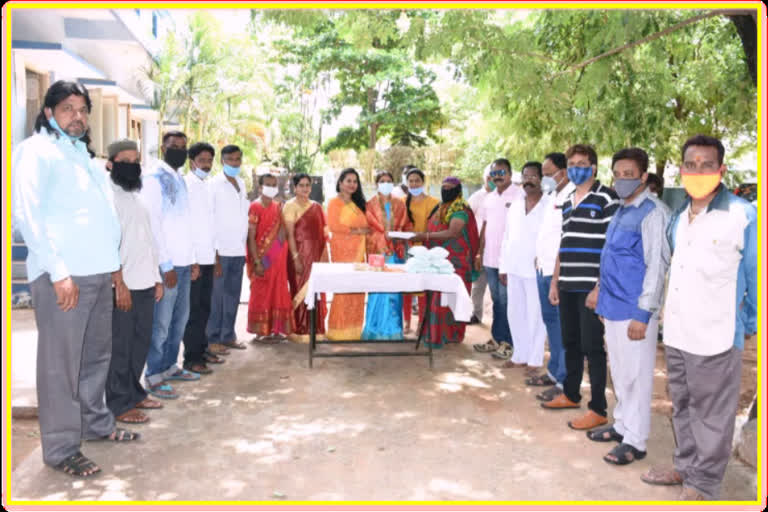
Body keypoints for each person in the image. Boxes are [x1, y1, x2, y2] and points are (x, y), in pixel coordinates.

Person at [11, 81, 138, 477]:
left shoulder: (81, 154)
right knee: (61, 365)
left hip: (98, 272)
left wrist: (115, 272)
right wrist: (58, 272)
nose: (78, 116)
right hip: (65, 277)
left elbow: (102, 217)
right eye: (68, 108)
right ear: (49, 113)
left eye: (83, 109)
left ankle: (95, 423)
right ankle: (62, 447)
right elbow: (28, 216)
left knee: (95, 356)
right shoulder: (36, 152)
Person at [641, 135, 757, 500]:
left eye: (707, 164)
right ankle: (684, 466)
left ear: (721, 170)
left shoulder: (742, 214)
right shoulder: (679, 217)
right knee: (684, 406)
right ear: (682, 169)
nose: (698, 171)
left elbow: (757, 274)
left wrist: (749, 323)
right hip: (677, 332)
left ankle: (704, 484)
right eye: (691, 164)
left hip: (717, 335)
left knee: (712, 414)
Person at [590, 148, 670, 466]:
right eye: (618, 174)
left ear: (644, 176)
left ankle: (636, 442)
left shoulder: (653, 212)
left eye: (629, 174)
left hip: (635, 311)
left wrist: (643, 313)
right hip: (613, 306)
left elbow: (657, 266)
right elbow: (611, 257)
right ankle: (622, 426)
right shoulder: (622, 209)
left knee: (637, 377)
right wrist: (601, 296)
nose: (622, 180)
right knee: (621, 374)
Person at [541, 144, 619, 432]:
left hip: (590, 288)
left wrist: (600, 287)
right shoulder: (568, 200)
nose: (576, 168)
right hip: (567, 283)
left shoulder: (606, 198)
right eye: (572, 163)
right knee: (570, 342)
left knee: (592, 348)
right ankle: (571, 394)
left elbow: (610, 248)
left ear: (594, 167)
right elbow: (565, 242)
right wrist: (554, 281)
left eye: (582, 163)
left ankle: (598, 408)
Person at [105, 139, 164, 425]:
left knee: (140, 342)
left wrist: (156, 278)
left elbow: (148, 242)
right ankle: (118, 404)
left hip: (145, 282)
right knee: (121, 346)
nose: (132, 166)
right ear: (111, 163)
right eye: (125, 161)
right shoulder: (108, 197)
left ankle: (135, 392)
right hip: (122, 286)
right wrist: (119, 284)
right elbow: (106, 244)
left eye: (136, 160)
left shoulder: (136, 197)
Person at [140, 131, 201, 400]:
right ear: (163, 148)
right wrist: (165, 265)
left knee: (180, 320)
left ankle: (169, 367)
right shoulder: (154, 179)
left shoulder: (179, 178)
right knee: (161, 323)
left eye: (182, 147)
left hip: (185, 261)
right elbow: (153, 224)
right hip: (168, 265)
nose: (178, 150)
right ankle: (153, 374)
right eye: (173, 146)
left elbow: (186, 224)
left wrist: (194, 258)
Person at [411, 177, 479, 347]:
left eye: (450, 188)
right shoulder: (440, 207)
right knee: (435, 298)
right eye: (443, 187)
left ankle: (452, 335)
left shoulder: (460, 209)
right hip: (437, 262)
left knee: (452, 299)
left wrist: (425, 236)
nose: (445, 190)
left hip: (456, 262)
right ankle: (435, 334)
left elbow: (453, 232)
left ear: (458, 190)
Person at [529, 152, 575, 402]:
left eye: (548, 174)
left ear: (563, 172)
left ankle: (564, 380)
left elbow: (566, 238)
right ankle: (554, 371)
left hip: (559, 272)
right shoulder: (552, 196)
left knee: (562, 327)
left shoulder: (572, 197)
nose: (544, 179)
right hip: (542, 269)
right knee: (551, 325)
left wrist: (556, 275)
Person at [499, 162, 548, 372]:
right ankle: (519, 354)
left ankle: (535, 359)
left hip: (536, 269)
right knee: (515, 312)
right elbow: (507, 236)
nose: (529, 180)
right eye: (526, 176)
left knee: (536, 315)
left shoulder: (550, 205)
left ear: (542, 179)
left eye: (534, 176)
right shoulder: (516, 204)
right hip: (514, 266)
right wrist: (503, 266)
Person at [473, 158, 523, 359]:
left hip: (509, 261)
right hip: (490, 259)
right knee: (496, 301)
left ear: (510, 174)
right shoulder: (489, 197)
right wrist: (479, 252)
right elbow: (485, 227)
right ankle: (497, 339)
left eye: (501, 172)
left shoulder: (520, 196)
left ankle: (509, 343)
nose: (497, 177)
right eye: (494, 173)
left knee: (508, 301)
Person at [207, 144, 250, 351]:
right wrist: (214, 253)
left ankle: (228, 335)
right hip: (220, 251)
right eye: (231, 159)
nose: (235, 163)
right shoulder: (213, 184)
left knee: (233, 294)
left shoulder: (241, 183)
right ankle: (213, 338)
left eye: (238, 159)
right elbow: (210, 218)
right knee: (217, 296)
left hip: (238, 250)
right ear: (223, 161)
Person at [182, 142, 218, 376]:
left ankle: (202, 348)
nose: (206, 164)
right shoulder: (187, 185)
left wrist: (214, 255)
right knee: (193, 310)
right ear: (192, 161)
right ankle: (191, 358)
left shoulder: (206, 186)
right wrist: (193, 259)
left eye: (209, 160)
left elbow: (209, 224)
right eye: (203, 160)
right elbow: (186, 224)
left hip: (208, 256)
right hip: (194, 259)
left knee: (205, 307)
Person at [362, 170, 410, 340]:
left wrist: (396, 236)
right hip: (377, 253)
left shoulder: (400, 204)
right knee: (377, 290)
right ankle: (375, 329)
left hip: (396, 252)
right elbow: (367, 231)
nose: (385, 183)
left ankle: (393, 330)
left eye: (389, 180)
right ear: (377, 184)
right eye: (382, 180)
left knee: (394, 292)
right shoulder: (369, 205)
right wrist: (382, 237)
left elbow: (405, 227)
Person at [246, 173, 294, 340]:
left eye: (274, 185)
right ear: (260, 187)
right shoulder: (255, 207)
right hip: (262, 260)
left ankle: (276, 329)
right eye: (267, 184)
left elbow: (283, 232)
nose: (271, 187)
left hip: (278, 258)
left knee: (279, 291)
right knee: (261, 293)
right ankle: (261, 331)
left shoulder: (278, 206)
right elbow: (251, 237)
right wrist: (258, 261)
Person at [284, 173, 329, 342]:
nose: (305, 188)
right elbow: (289, 235)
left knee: (317, 290)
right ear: (294, 188)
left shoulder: (317, 206)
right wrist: (295, 257)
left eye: (307, 185)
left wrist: (326, 256)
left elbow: (325, 234)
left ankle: (316, 328)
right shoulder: (289, 206)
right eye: (301, 185)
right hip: (299, 255)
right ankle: (299, 329)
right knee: (299, 289)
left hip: (316, 256)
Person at [326, 168, 370, 340]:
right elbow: (335, 226)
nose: (352, 184)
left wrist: (361, 232)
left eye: (355, 181)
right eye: (348, 181)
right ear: (340, 183)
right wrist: (360, 230)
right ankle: (338, 330)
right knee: (343, 287)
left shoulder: (358, 203)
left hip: (358, 251)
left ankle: (353, 330)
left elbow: (369, 225)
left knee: (358, 289)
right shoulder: (334, 203)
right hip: (342, 251)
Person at [402, 168, 440, 334]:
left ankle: (421, 324)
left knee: (422, 289)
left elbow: (436, 226)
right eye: (411, 181)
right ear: (407, 183)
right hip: (406, 249)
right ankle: (406, 323)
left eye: (417, 180)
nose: (414, 184)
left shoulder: (433, 203)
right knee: (406, 289)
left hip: (425, 249)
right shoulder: (402, 201)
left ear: (422, 182)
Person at [466, 164, 494, 325]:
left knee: (498, 290)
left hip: (497, 249)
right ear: (484, 178)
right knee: (478, 284)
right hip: (478, 246)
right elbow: (468, 221)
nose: (491, 180)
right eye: (488, 178)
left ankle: (500, 320)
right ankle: (476, 314)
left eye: (493, 177)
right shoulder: (477, 197)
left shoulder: (503, 196)